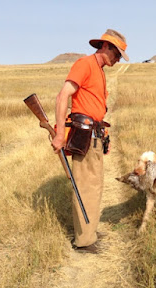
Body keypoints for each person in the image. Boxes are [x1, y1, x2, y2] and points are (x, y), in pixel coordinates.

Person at [51, 29, 129, 254]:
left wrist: (104, 136)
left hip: (94, 135)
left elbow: (94, 109)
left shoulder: (100, 70)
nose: (117, 59)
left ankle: (90, 231)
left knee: (94, 186)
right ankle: (84, 241)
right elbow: (62, 96)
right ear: (106, 46)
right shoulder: (84, 64)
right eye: (117, 54)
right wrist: (58, 134)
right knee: (85, 187)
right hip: (83, 136)